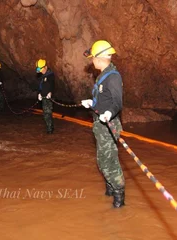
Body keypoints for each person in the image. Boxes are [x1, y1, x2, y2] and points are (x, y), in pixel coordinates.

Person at [81, 40, 125, 208]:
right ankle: (110, 188)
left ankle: (119, 196)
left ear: (99, 59)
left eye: (93, 58)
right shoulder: (103, 74)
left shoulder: (113, 77)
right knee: (102, 160)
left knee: (110, 162)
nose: (92, 61)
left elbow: (117, 102)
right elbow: (103, 98)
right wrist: (92, 103)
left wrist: (108, 113)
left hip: (109, 125)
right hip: (101, 125)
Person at [36, 59, 54, 134]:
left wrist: (51, 93)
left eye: (42, 69)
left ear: (46, 67)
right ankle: (50, 127)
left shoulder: (50, 75)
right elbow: (40, 86)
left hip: (49, 97)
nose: (41, 71)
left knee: (48, 112)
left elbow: (53, 85)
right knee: (45, 113)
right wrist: (39, 93)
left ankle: (50, 129)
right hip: (43, 97)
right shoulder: (42, 76)